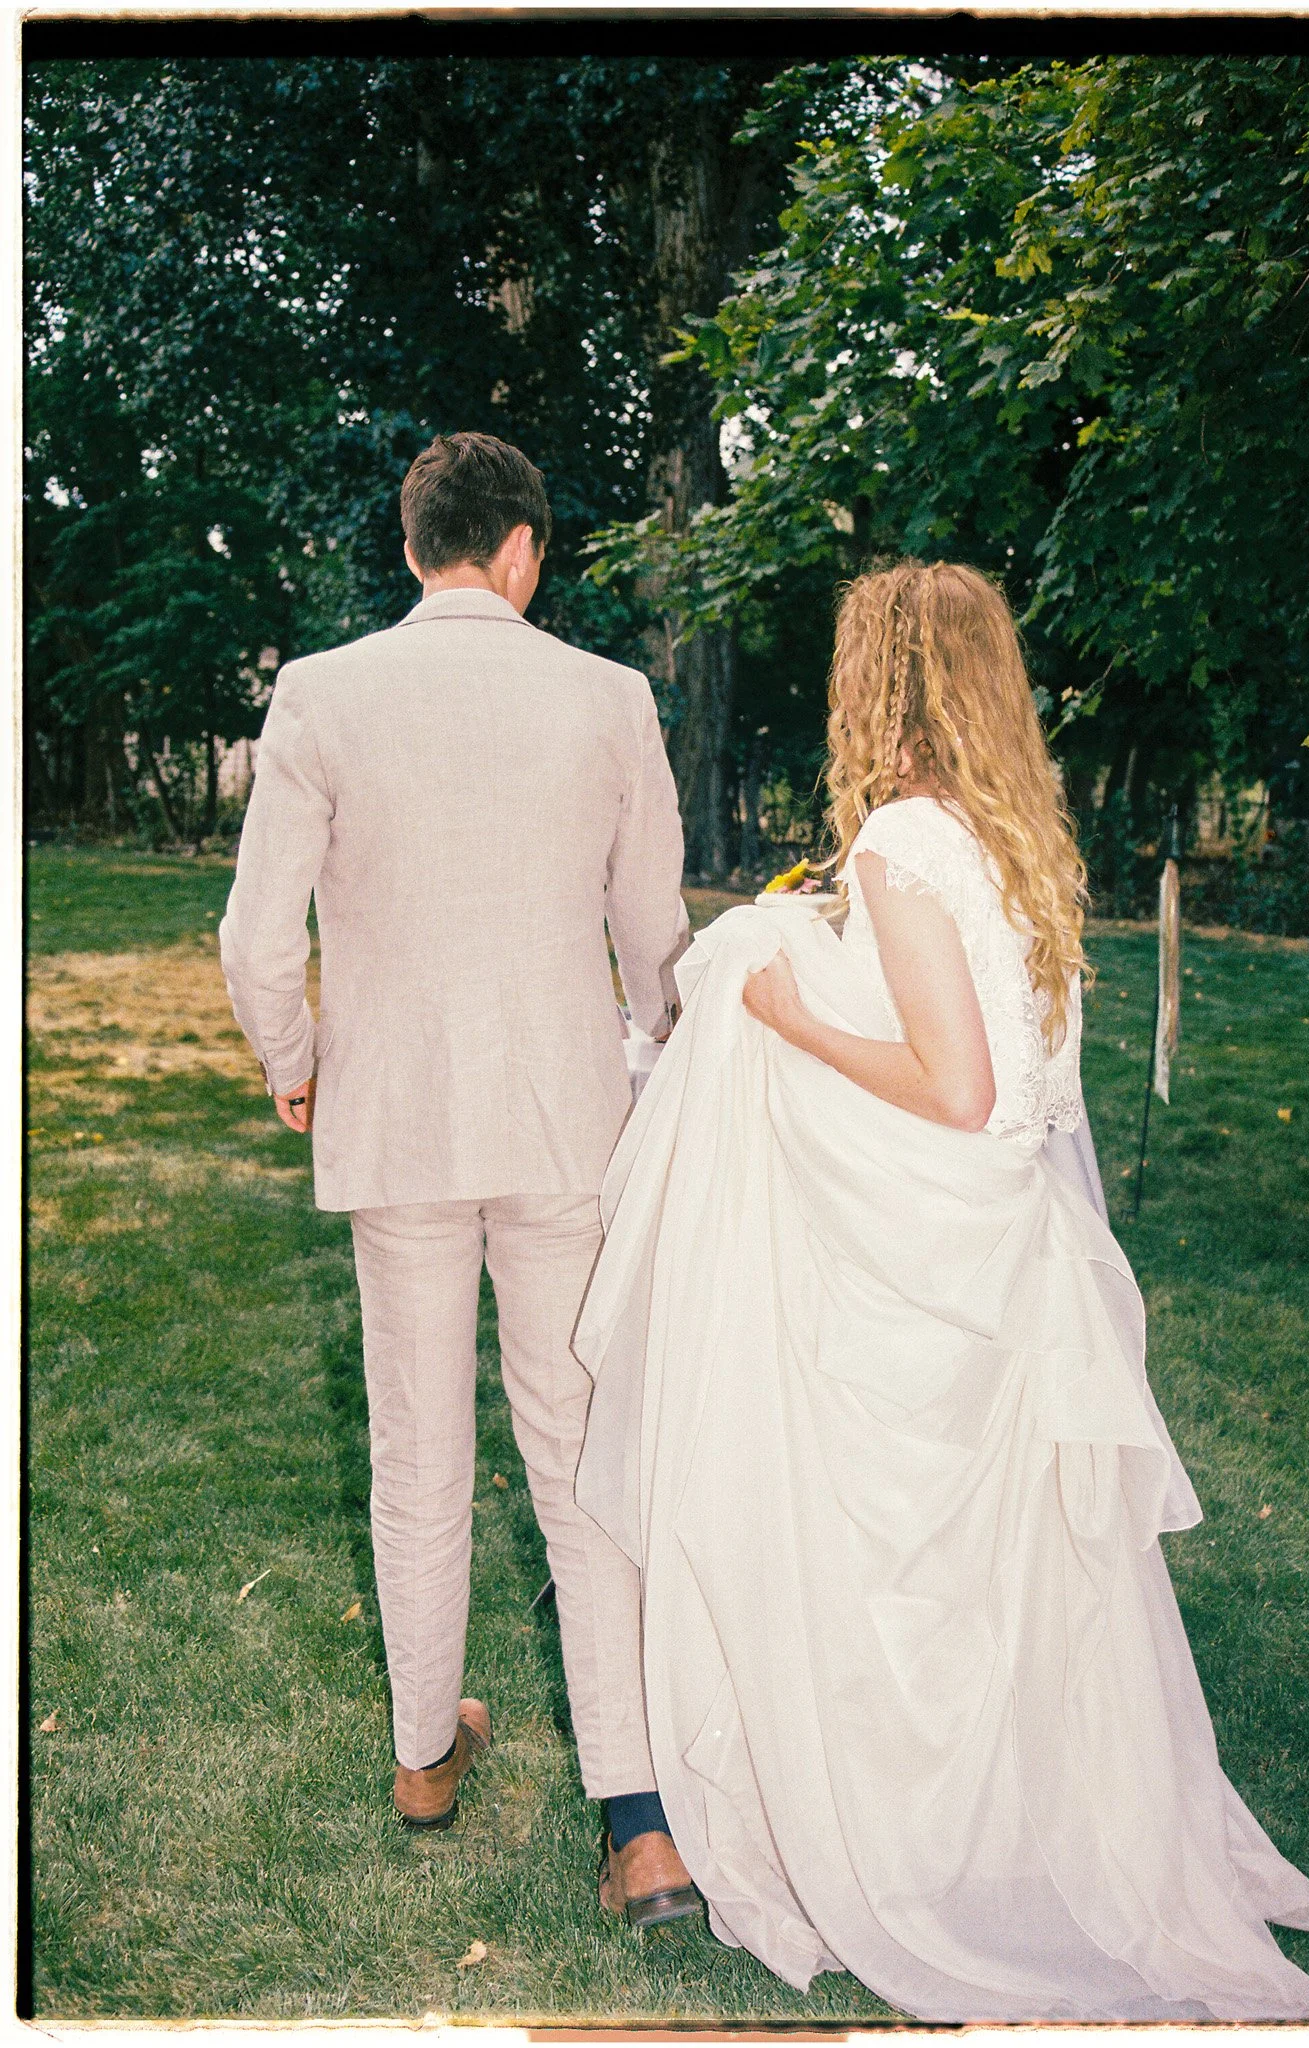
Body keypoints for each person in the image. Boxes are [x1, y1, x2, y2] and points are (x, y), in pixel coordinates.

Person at [573, 559, 1309, 2019]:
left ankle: (914, 1851)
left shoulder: (903, 846)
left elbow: (953, 1081)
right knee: (1007, 1593)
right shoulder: (1010, 839)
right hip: (1005, 1249)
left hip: (930, 1264)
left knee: (896, 1585)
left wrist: (788, 1010)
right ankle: (1023, 1840)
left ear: (882, 686)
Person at [220, 431, 702, 1927]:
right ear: (522, 552)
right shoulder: (607, 698)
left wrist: (294, 1058)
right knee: (576, 1462)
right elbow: (652, 935)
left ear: (420, 546)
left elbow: (254, 939)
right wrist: (663, 1059)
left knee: (416, 1449)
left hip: (400, 1132)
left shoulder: (322, 691)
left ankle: (424, 1759)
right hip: (562, 1127)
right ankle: (641, 1828)